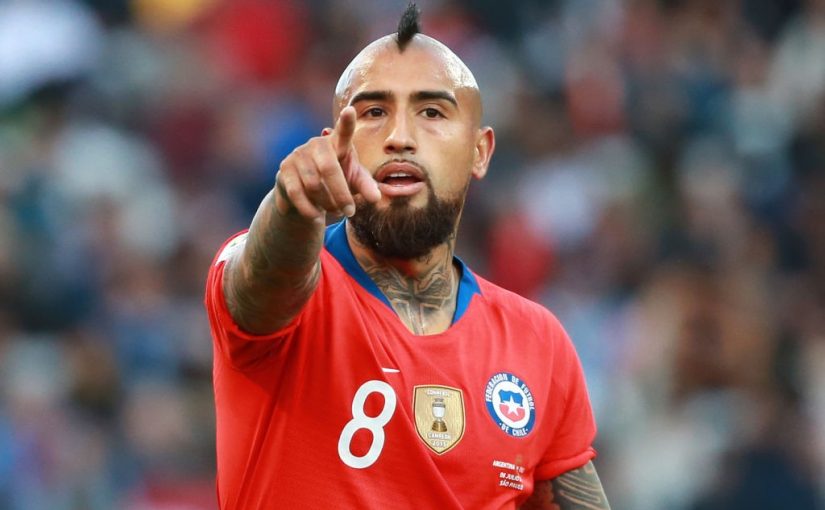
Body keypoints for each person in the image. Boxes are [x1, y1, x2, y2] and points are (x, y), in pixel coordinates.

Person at [205, 4, 610, 509]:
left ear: (480, 151)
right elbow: (263, 280)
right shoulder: (284, 286)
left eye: (432, 112)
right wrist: (290, 206)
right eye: (373, 112)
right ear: (336, 146)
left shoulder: (537, 342)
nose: (400, 136)